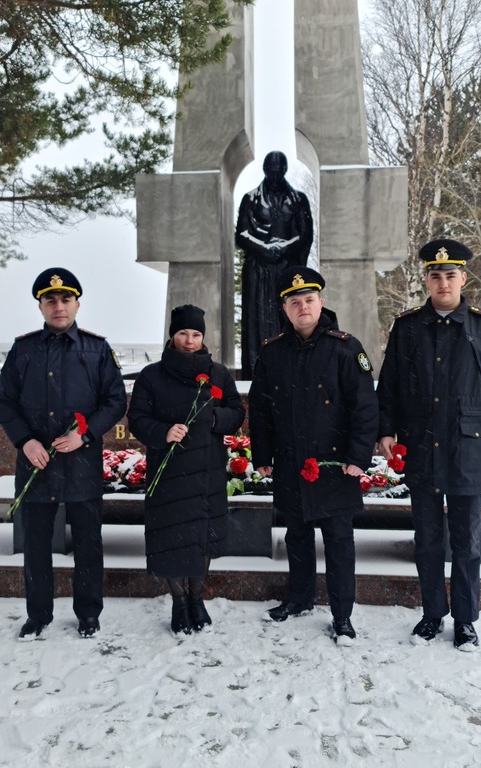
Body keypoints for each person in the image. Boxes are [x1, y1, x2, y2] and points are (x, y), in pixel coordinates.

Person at [376, 239, 481, 651]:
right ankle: (431, 613)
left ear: (463, 278)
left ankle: (465, 619)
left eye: (450, 275)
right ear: (425, 279)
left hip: (468, 449)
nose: (442, 282)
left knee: (466, 542)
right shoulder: (407, 327)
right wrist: (386, 431)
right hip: (421, 447)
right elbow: (389, 388)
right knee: (427, 538)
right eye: (435, 275)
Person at [0, 268, 127, 640]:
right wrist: (25, 441)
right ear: (40, 306)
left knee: (88, 543)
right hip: (36, 463)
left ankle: (88, 612)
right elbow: (4, 401)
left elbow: (115, 401)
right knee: (36, 544)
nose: (58, 305)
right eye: (50, 299)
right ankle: (38, 614)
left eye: (66, 298)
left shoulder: (96, 349)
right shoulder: (23, 349)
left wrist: (84, 435)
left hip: (81, 463)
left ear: (77, 304)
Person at [248, 267, 378, 644]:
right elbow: (260, 408)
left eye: (309, 300)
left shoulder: (346, 347)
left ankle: (342, 615)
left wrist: (358, 456)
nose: (302, 307)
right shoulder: (272, 352)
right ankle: (300, 599)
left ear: (321, 302)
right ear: (284, 309)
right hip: (291, 462)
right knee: (297, 536)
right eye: (294, 302)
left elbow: (365, 407)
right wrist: (262, 456)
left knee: (339, 541)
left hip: (336, 465)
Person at [127, 305, 245, 635]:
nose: (189, 341)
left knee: (201, 538)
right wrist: (163, 432)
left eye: (195, 335)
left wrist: (215, 420)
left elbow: (236, 412)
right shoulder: (152, 375)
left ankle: (197, 598)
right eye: (183, 333)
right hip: (169, 473)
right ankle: (179, 602)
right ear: (172, 335)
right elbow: (137, 418)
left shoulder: (218, 373)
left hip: (207, 473)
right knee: (171, 540)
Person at [235, 150, 314, 379]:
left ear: (285, 170)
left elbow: (305, 234)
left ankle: (290, 370)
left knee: (288, 317)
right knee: (257, 322)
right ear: (265, 170)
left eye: (280, 170)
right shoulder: (251, 198)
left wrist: (285, 247)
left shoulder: (298, 200)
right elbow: (241, 235)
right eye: (271, 170)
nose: (276, 174)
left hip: (287, 270)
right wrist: (264, 248)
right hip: (259, 271)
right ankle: (256, 372)